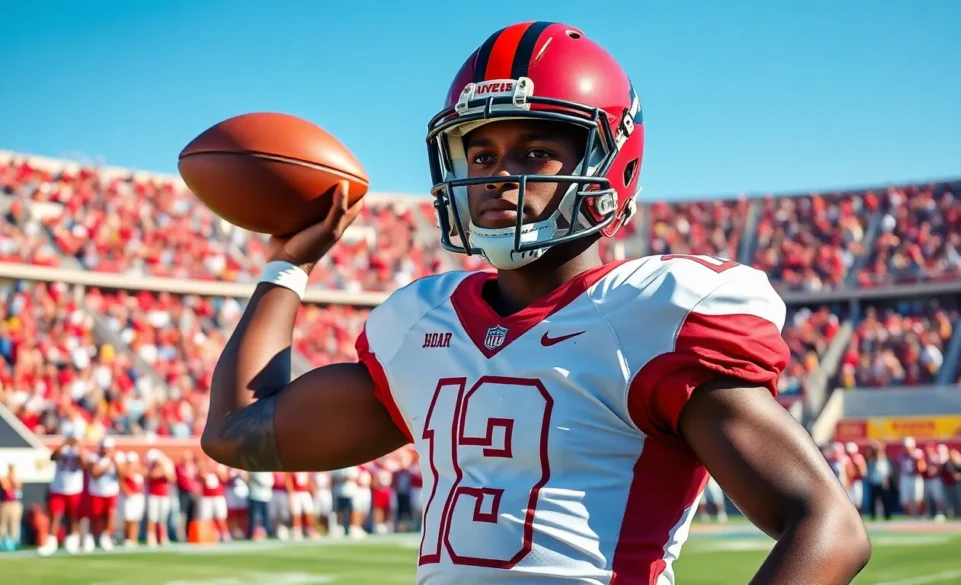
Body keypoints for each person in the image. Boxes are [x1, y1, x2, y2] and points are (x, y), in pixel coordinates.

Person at [201, 21, 870, 584]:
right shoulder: (423, 326)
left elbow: (829, 525)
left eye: (536, 151)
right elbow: (236, 432)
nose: (498, 175)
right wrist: (288, 265)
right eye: (481, 153)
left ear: (612, 167)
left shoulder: (650, 318)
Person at [39, 434, 85, 556]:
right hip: (58, 488)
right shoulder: (63, 449)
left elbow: (84, 463)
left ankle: (72, 540)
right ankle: (51, 542)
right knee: (55, 516)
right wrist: (65, 444)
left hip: (75, 488)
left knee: (73, 517)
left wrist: (78, 448)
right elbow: (52, 457)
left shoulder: (79, 451)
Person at [0, 463, 23, 550]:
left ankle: (14, 543)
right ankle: (2, 543)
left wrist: (13, 480)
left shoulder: (17, 479)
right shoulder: (4, 478)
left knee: (14, 524)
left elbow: (18, 486)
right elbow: (5, 486)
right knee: (2, 524)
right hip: (5, 504)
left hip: (14, 504)